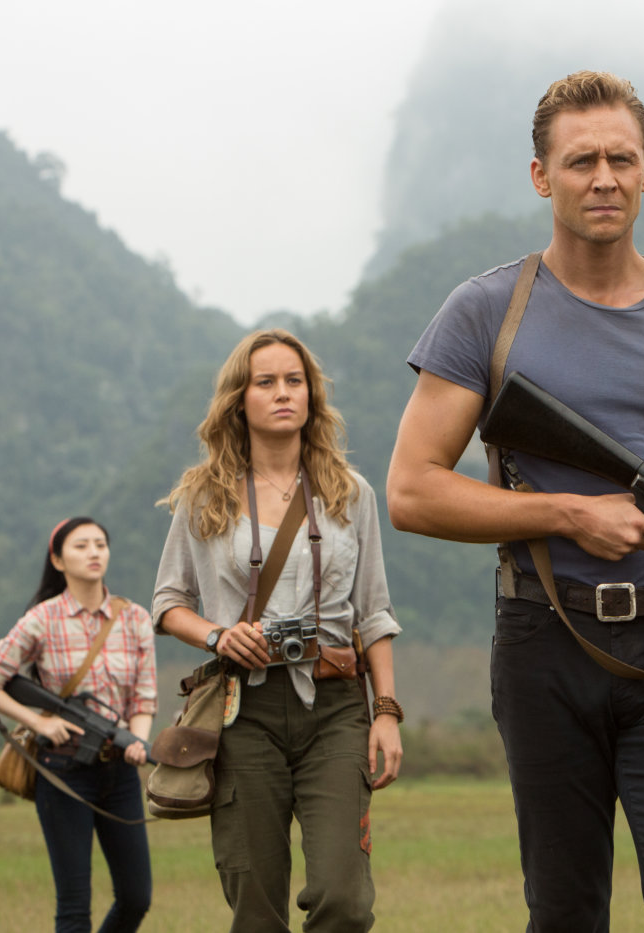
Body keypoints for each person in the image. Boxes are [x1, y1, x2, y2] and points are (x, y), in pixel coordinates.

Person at [387, 70, 644, 931]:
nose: (603, 178)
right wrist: (568, 513)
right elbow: (412, 490)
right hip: (545, 641)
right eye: (580, 161)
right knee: (565, 911)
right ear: (542, 177)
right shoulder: (485, 312)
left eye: (620, 159)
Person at [152, 328, 403, 933]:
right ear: (239, 399)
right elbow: (168, 603)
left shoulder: (350, 493)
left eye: (295, 381)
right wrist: (218, 635)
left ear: (312, 396)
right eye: (265, 382)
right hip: (243, 713)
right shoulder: (204, 496)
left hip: (335, 706)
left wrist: (387, 712)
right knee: (256, 909)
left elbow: (373, 612)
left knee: (345, 900)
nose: (283, 393)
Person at [0, 516, 156, 933]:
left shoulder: (135, 618)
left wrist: (138, 742)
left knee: (136, 897)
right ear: (57, 559)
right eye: (81, 546)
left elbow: (144, 698)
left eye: (100, 544)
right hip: (62, 770)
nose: (94, 553)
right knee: (73, 906)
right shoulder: (42, 619)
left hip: (120, 771)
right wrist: (39, 722)